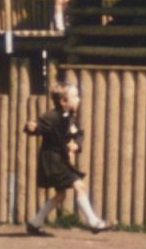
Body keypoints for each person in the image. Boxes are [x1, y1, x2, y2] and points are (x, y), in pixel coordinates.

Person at [23, 82, 110, 235]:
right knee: (79, 186)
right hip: (52, 161)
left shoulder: (68, 117)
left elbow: (78, 133)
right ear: (64, 101)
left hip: (59, 160)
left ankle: (35, 223)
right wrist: (31, 127)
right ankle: (94, 223)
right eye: (75, 97)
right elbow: (37, 126)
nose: (78, 99)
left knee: (60, 195)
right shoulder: (52, 116)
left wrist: (76, 144)